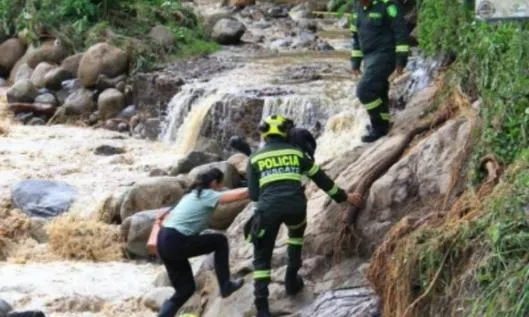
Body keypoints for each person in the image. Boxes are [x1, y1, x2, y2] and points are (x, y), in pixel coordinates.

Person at [246, 115, 363, 317]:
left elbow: (254, 194)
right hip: (296, 207)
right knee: (295, 237)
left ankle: (262, 308)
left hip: (267, 211)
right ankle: (292, 280)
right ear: (286, 133)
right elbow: (321, 179)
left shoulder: (254, 158)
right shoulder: (297, 153)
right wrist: (344, 197)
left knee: (262, 255)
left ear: (264, 134)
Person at [156, 168, 249, 317]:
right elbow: (240, 194)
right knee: (220, 240)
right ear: (214, 183)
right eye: (220, 185)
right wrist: (259, 186)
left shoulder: (191, 195)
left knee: (185, 290)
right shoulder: (207, 195)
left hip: (163, 240)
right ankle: (225, 286)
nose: (221, 188)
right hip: (175, 240)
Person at [350, 0, 410, 143]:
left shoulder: (388, 6)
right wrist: (355, 61)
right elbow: (356, 39)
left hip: (385, 55)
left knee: (364, 91)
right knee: (378, 91)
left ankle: (378, 126)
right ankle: (383, 124)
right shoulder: (357, 10)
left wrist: (401, 59)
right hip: (369, 58)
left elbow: (401, 33)